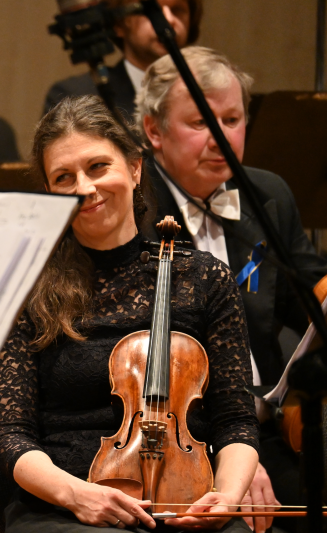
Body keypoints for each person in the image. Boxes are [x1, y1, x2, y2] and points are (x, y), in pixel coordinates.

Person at [0, 95, 259, 532]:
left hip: (188, 500)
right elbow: (10, 437)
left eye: (98, 167)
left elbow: (236, 422)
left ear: (134, 169)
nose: (84, 188)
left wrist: (225, 499)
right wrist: (77, 495)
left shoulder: (205, 279)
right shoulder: (27, 289)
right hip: (66, 508)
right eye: (63, 177)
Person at [137, 46, 327, 533]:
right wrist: (235, 456)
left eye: (232, 118)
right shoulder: (135, 208)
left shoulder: (267, 195)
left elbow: (309, 293)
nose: (220, 137)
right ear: (153, 131)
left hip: (271, 418)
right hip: (187, 434)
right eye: (199, 122)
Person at [43, 0, 202, 118]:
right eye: (152, 11)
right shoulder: (75, 96)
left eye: (178, 10)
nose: (169, 20)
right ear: (119, 25)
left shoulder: (207, 91)